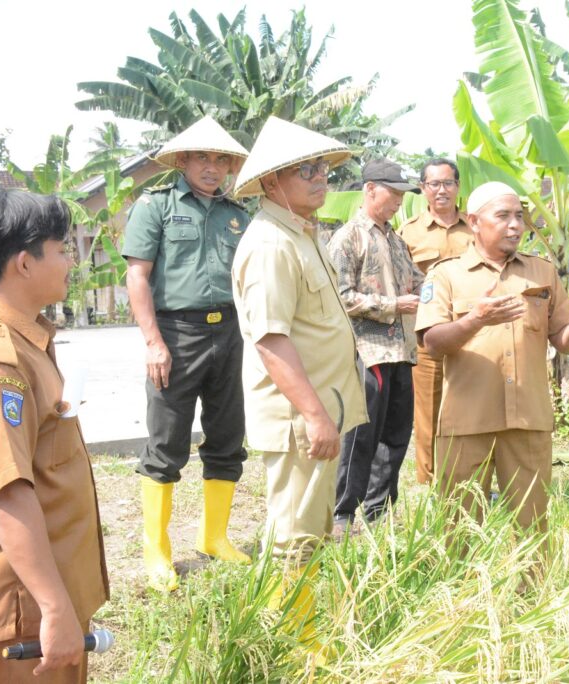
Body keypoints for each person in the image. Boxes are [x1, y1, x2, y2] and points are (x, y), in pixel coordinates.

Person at [0, 187, 108, 683]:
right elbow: (9, 494)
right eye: (61, 250)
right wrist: (54, 608)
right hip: (22, 611)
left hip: (42, 595)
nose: (70, 263)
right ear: (24, 263)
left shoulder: (23, 339)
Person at [231, 116, 367, 642]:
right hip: (298, 419)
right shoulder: (271, 244)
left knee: (306, 528)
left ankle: (293, 630)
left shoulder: (301, 234)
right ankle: (292, 642)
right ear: (271, 181)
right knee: (294, 535)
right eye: (305, 170)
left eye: (322, 167)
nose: (320, 177)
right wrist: (313, 414)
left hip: (315, 410)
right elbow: (271, 340)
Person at [415, 181, 569, 537]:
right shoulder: (446, 274)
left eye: (519, 217)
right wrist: (476, 319)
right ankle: (462, 577)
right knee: (459, 530)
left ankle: (532, 579)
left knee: (532, 529)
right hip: (466, 422)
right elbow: (432, 343)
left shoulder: (542, 272)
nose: (515, 225)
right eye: (503, 216)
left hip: (528, 420)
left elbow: (562, 339)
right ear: (474, 222)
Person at [121, 116, 252, 592]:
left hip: (231, 332)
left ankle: (214, 536)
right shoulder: (155, 206)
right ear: (182, 161)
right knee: (167, 442)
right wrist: (153, 343)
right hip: (176, 334)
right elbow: (137, 277)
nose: (212, 167)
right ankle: (156, 550)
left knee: (228, 436)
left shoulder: (239, 215)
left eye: (220, 159)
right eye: (202, 157)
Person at [328, 159, 423, 534]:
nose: (399, 200)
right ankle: (342, 513)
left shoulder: (396, 240)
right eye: (394, 192)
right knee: (360, 436)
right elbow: (339, 296)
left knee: (395, 436)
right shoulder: (348, 237)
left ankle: (379, 512)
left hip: (402, 351)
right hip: (367, 351)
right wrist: (392, 305)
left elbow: (419, 282)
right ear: (370, 190)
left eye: (402, 194)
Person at [398, 158, 474, 484]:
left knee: (474, 407)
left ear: (458, 186)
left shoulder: (476, 227)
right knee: (428, 410)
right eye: (434, 184)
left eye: (447, 183)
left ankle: (470, 477)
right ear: (423, 188)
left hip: (473, 333)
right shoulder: (408, 232)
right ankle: (431, 482)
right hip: (427, 336)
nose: (441, 190)